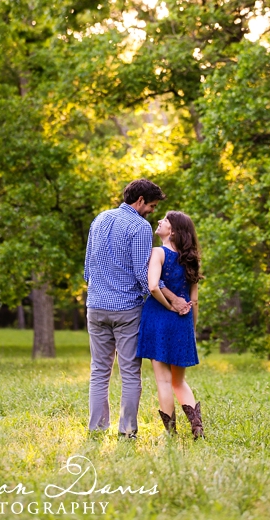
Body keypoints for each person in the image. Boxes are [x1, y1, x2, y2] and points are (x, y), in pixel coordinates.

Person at [85, 178, 181, 439]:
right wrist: (171, 299)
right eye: (151, 205)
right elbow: (143, 275)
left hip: (95, 307)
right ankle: (127, 432)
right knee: (129, 373)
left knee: (99, 371)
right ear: (139, 201)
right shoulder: (139, 227)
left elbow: (87, 268)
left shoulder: (100, 219)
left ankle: (96, 429)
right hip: (126, 310)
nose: (152, 211)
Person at [136, 210, 204, 439]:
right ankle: (197, 427)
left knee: (164, 381)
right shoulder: (191, 259)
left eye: (164, 220)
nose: (159, 221)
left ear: (173, 231)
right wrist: (190, 328)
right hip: (182, 323)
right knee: (179, 381)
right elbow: (194, 300)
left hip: (159, 320)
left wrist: (168, 306)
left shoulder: (158, 253)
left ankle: (171, 433)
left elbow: (153, 286)